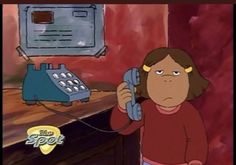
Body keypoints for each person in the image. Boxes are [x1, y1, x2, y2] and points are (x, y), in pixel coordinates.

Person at [110, 47, 209, 165]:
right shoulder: (146, 107)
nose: (167, 79)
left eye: (176, 73)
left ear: (189, 83)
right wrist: (123, 107)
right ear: (145, 81)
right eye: (159, 72)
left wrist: (195, 161)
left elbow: (197, 141)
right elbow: (123, 129)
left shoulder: (189, 112)